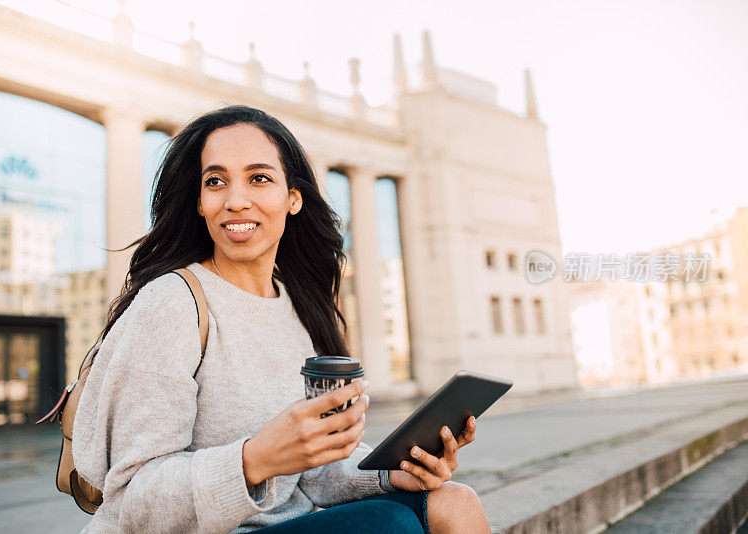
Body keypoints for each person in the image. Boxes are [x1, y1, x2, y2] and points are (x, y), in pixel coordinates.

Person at [72, 105, 490, 533]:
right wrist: (254, 459)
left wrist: (392, 473)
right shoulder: (170, 303)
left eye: (259, 178)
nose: (235, 201)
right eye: (215, 182)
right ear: (199, 201)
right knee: (390, 524)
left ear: (293, 198)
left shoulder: (297, 308)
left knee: (455, 502)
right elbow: (133, 500)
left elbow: (313, 476)